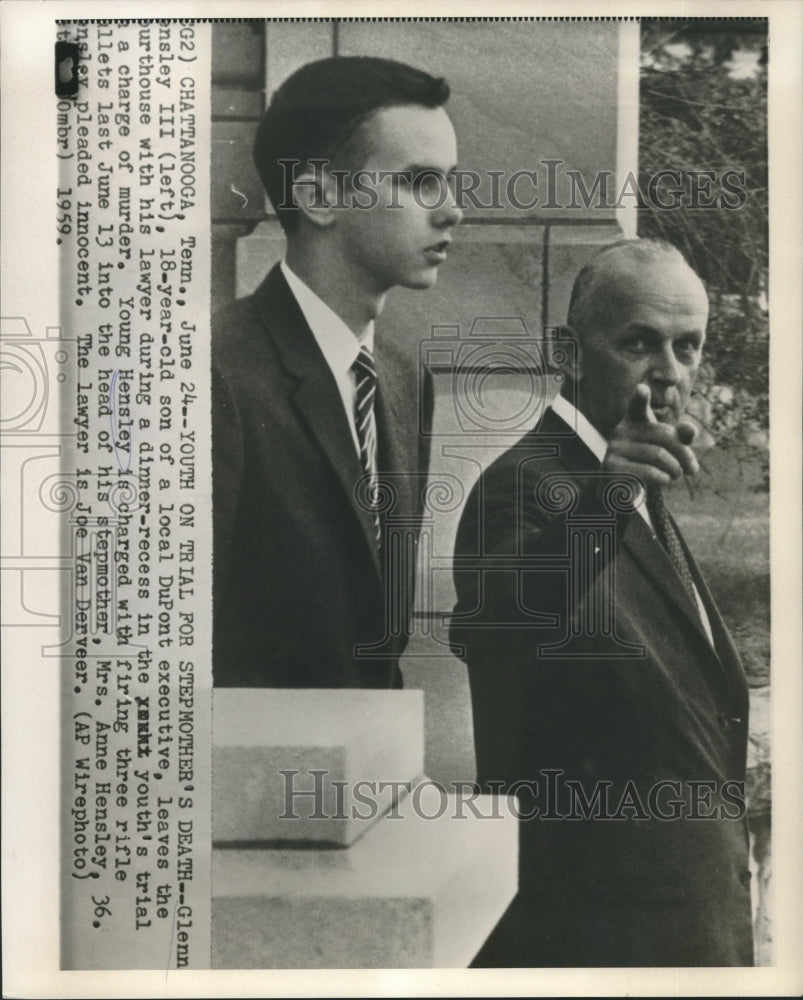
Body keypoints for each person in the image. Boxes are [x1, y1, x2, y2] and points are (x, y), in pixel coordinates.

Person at [451, 238, 753, 966]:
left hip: (682, 926)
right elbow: (497, 624)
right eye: (640, 344)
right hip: (604, 939)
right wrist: (603, 500)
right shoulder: (531, 482)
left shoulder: (623, 480)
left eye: (688, 347)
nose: (670, 374)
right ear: (570, 351)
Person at [213, 57, 462, 688]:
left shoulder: (403, 379)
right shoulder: (209, 375)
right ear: (320, 196)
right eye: (420, 182)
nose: (452, 210)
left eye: (449, 181)